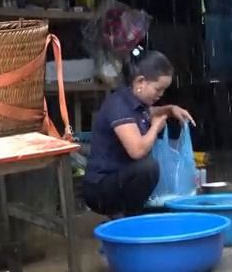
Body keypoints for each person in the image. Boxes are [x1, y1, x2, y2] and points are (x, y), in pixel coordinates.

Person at [83, 48, 195, 219]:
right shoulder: (119, 105)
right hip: (100, 188)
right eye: (158, 89)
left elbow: (148, 113)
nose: (161, 94)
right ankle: (125, 217)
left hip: (119, 179)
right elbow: (137, 151)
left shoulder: (134, 102)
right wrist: (155, 128)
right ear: (141, 81)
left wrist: (170, 109)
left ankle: (129, 215)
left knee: (147, 168)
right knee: (147, 168)